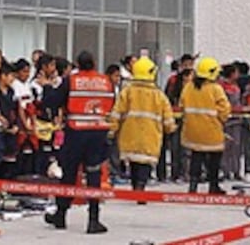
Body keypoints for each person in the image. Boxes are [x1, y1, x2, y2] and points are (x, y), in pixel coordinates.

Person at [44, 50, 115, 234]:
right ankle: (94, 220)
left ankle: (61, 214)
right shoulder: (105, 81)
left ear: (78, 63)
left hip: (76, 133)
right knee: (93, 175)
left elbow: (51, 102)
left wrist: (47, 87)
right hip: (98, 133)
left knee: (69, 174)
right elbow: (111, 103)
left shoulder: (71, 81)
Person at [108, 56, 176, 199]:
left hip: (129, 134)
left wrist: (112, 129)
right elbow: (167, 114)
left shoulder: (127, 91)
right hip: (150, 135)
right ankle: (141, 187)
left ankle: (135, 188)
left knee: (133, 162)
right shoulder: (158, 94)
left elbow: (117, 111)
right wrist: (170, 128)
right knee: (145, 162)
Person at [179, 57, 231, 195]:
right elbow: (224, 109)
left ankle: (193, 186)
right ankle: (213, 186)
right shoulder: (215, 89)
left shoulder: (189, 87)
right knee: (214, 159)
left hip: (192, 129)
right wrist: (222, 119)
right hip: (212, 130)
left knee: (196, 157)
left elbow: (182, 105)